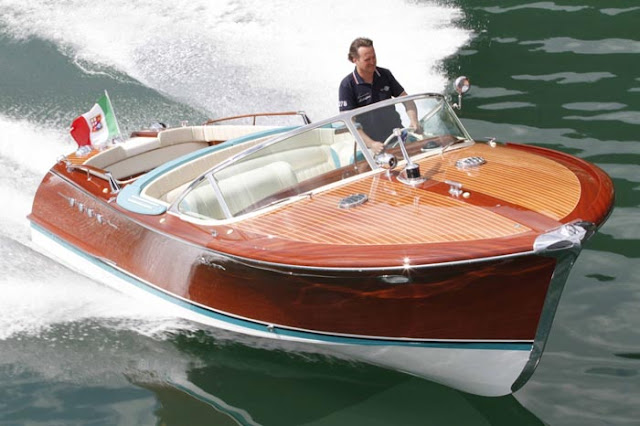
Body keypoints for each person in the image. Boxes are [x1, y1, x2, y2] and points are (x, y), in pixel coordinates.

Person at [339, 37, 421, 154]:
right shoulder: (347, 85)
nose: (372, 62)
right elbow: (349, 122)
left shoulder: (385, 74)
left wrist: (414, 121)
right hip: (371, 147)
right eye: (367, 59)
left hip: (398, 137)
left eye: (374, 57)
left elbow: (407, 100)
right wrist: (371, 144)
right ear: (354, 60)